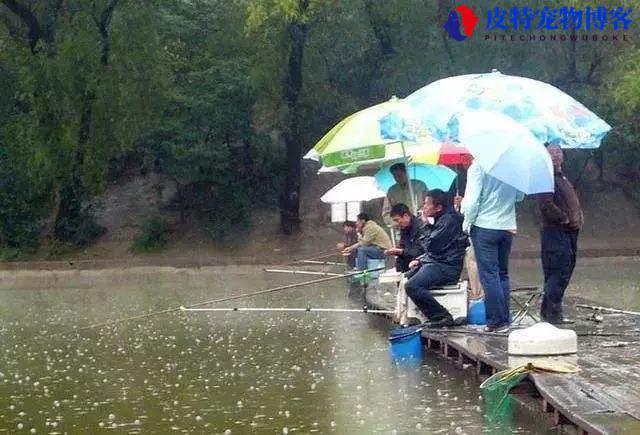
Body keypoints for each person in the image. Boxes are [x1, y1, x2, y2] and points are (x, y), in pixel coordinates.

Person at [461, 162, 524, 332]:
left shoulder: (478, 166)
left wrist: (467, 223)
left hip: (484, 226)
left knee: (489, 275)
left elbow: (471, 202)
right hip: (507, 227)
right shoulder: (512, 166)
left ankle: (496, 322)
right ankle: (505, 319)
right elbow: (519, 196)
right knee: (502, 274)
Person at [404, 190, 469, 327]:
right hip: (439, 262)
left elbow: (431, 244)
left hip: (446, 267)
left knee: (412, 286)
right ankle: (418, 315)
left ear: (438, 207)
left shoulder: (449, 220)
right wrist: (422, 259)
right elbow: (437, 248)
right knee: (408, 275)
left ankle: (442, 316)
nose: (424, 207)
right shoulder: (445, 218)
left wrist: (426, 224)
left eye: (427, 204)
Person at [536, 144, 583, 324]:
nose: (555, 155)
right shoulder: (545, 176)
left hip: (570, 232)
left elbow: (571, 201)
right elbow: (545, 204)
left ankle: (550, 312)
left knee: (566, 269)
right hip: (555, 232)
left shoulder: (561, 176)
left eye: (558, 152)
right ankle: (551, 314)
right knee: (558, 271)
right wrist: (564, 218)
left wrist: (579, 216)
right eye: (551, 153)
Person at [384, 203, 424, 272]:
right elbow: (403, 246)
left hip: (420, 262)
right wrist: (396, 251)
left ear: (406, 216)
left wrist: (401, 251)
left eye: (397, 220)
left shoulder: (421, 227)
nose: (396, 224)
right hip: (407, 263)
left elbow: (420, 251)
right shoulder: (404, 228)